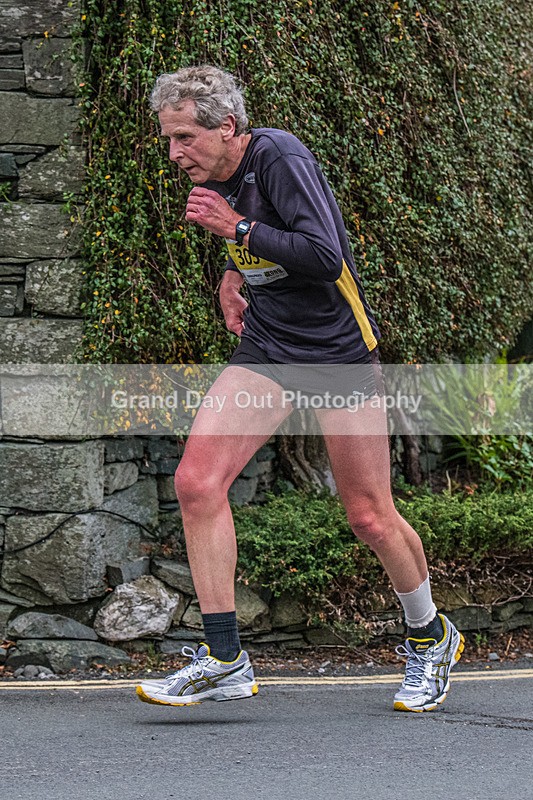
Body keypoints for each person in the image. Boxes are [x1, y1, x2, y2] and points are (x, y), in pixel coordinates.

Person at [136, 65, 464, 712]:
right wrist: (234, 276)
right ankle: (225, 658)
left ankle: (430, 637)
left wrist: (234, 231)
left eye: (182, 138)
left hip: (335, 354)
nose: (173, 154)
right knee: (197, 482)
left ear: (225, 127)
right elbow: (264, 251)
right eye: (168, 139)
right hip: (268, 349)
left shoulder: (279, 156)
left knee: (368, 514)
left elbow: (323, 256)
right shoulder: (220, 174)